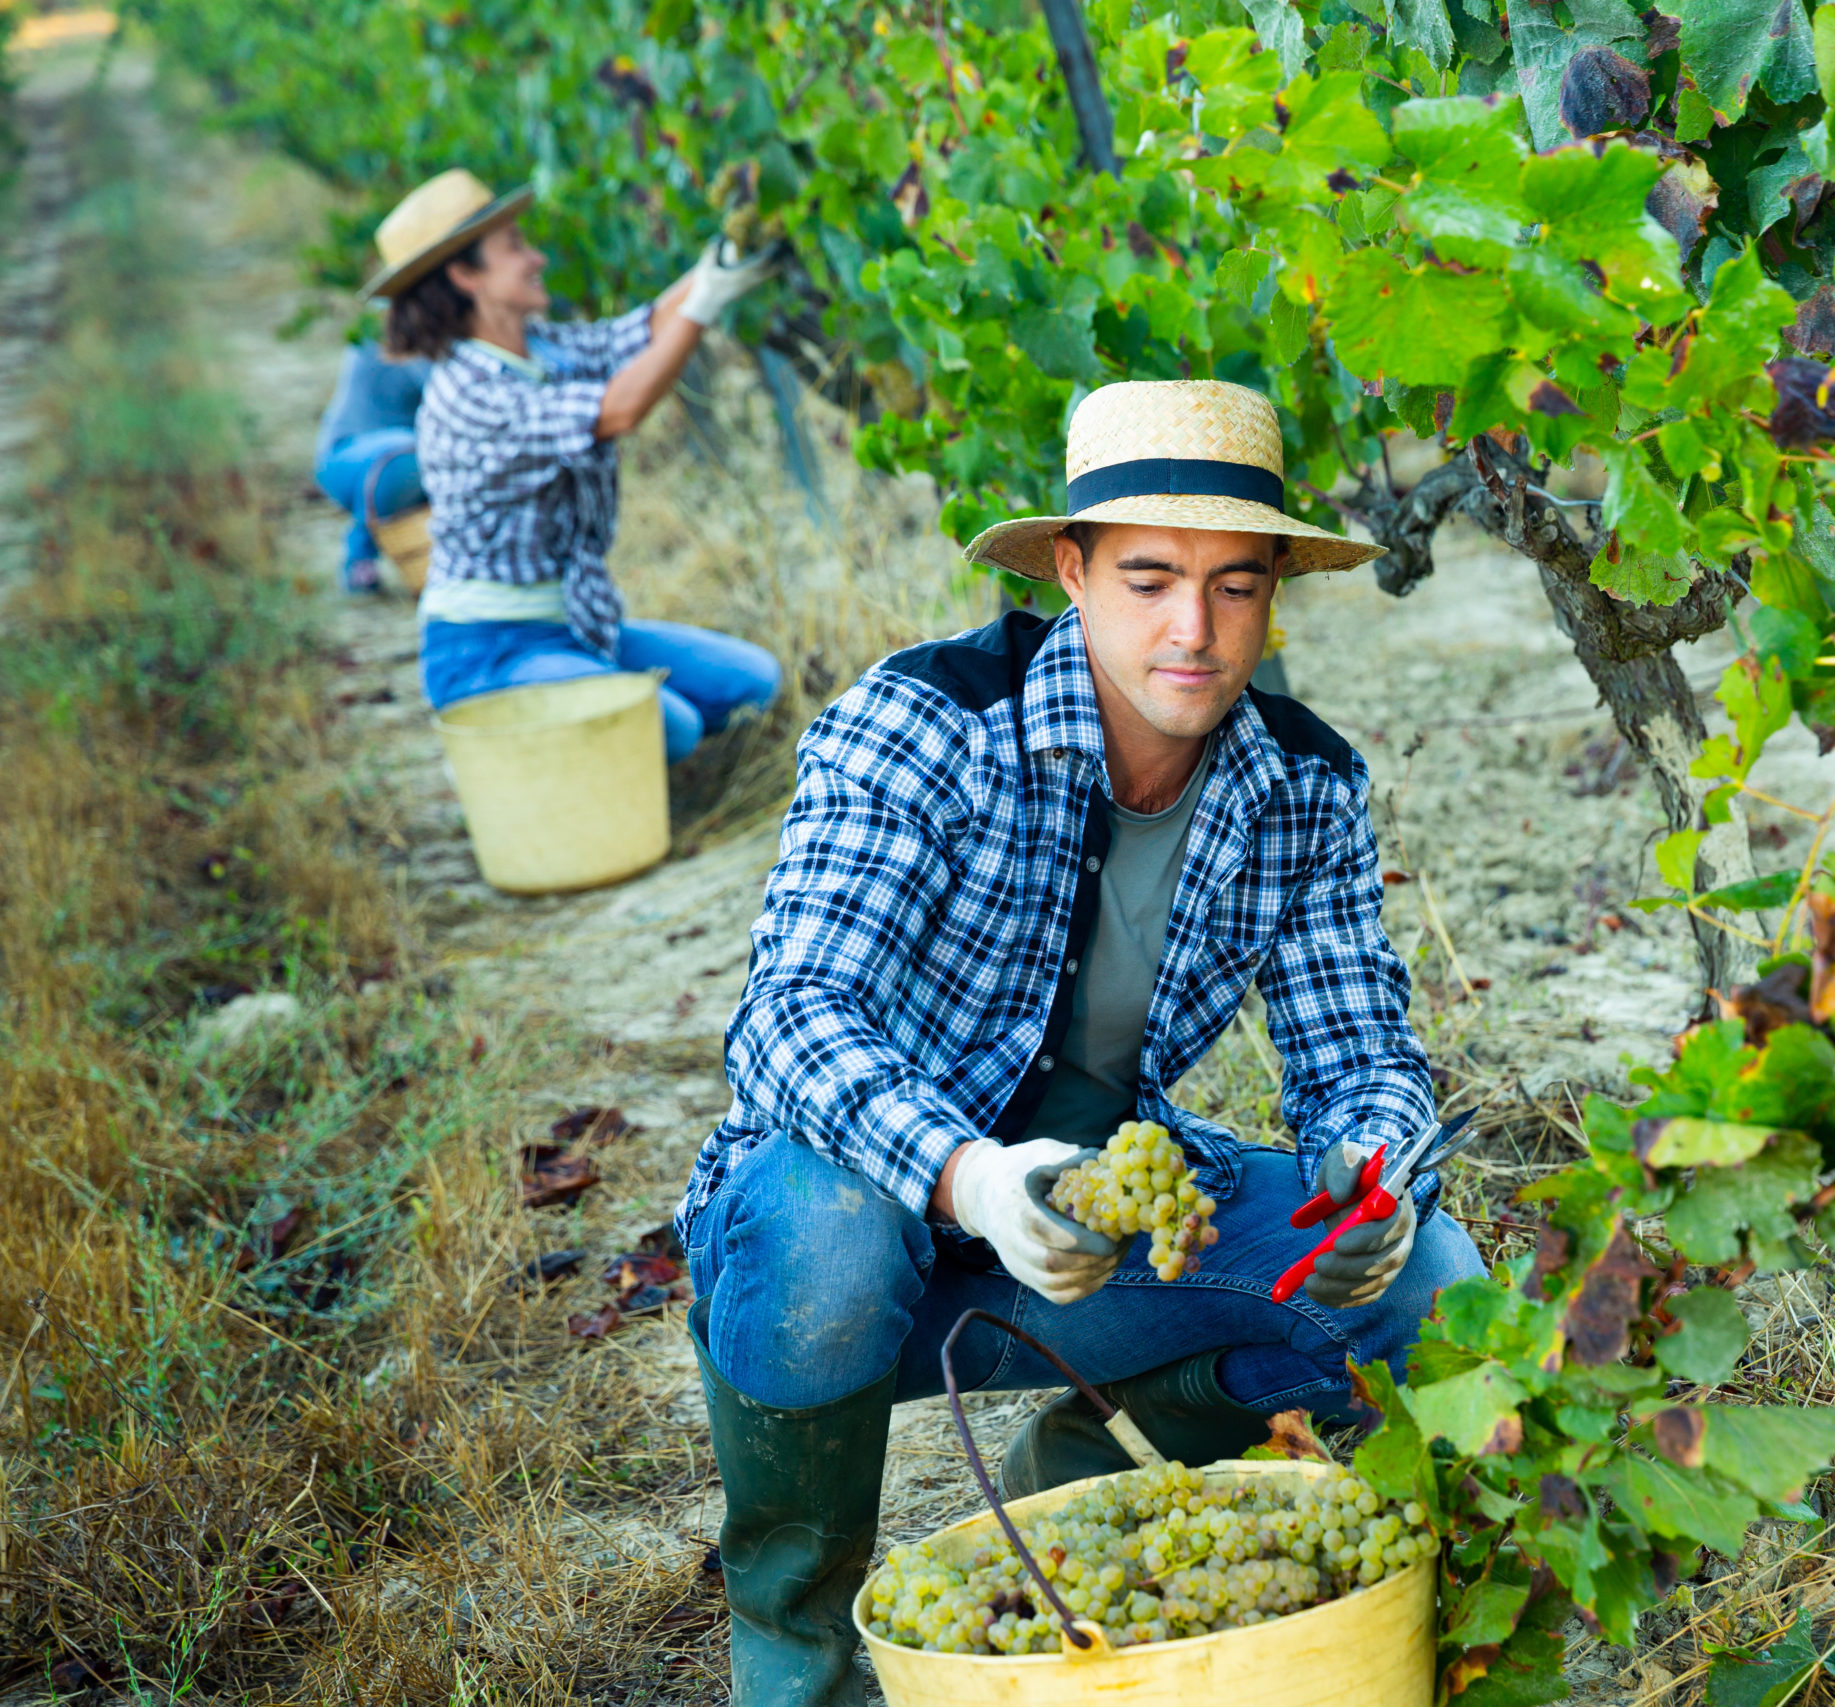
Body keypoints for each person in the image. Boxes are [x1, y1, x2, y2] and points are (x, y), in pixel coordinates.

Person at [673, 378, 1485, 1703]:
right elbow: (786, 1021)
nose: (1195, 628)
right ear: (1074, 567)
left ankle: (1100, 1450)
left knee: (1429, 1278)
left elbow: (1358, 1048)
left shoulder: (1305, 784)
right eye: (1152, 577)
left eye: (1236, 584)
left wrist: (1378, 1161)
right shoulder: (925, 724)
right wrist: (972, 1176)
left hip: (1081, 1241)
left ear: (1276, 587)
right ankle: (797, 1643)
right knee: (823, 1225)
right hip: (857, 1241)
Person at [365, 168, 784, 761]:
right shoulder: (468, 395)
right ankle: (515, 756)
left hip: (576, 628)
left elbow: (638, 334)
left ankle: (582, 714)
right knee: (671, 726)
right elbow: (617, 411)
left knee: (752, 683)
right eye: (514, 248)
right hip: (486, 654)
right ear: (464, 275)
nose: (536, 257)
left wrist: (721, 262)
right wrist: (707, 302)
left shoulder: (539, 348)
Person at [311, 341, 426, 593]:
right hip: (350, 457)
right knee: (412, 451)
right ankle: (360, 557)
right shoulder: (394, 332)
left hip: (398, 458)